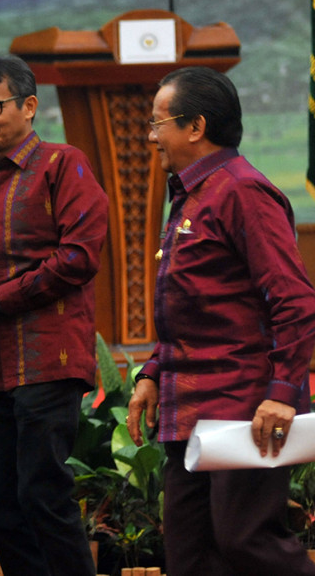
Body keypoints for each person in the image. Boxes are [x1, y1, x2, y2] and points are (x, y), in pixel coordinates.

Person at [127, 66, 315, 576]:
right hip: (187, 408)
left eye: (157, 123)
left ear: (195, 126)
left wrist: (281, 392)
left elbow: (295, 300)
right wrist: (151, 373)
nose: (151, 137)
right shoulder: (191, 193)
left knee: (246, 541)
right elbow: (195, 308)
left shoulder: (242, 191)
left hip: (243, 405)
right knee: (191, 556)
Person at [0, 55, 107, 576]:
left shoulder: (63, 163)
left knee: (43, 494)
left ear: (30, 106)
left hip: (49, 357)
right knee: (6, 508)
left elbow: (78, 257)